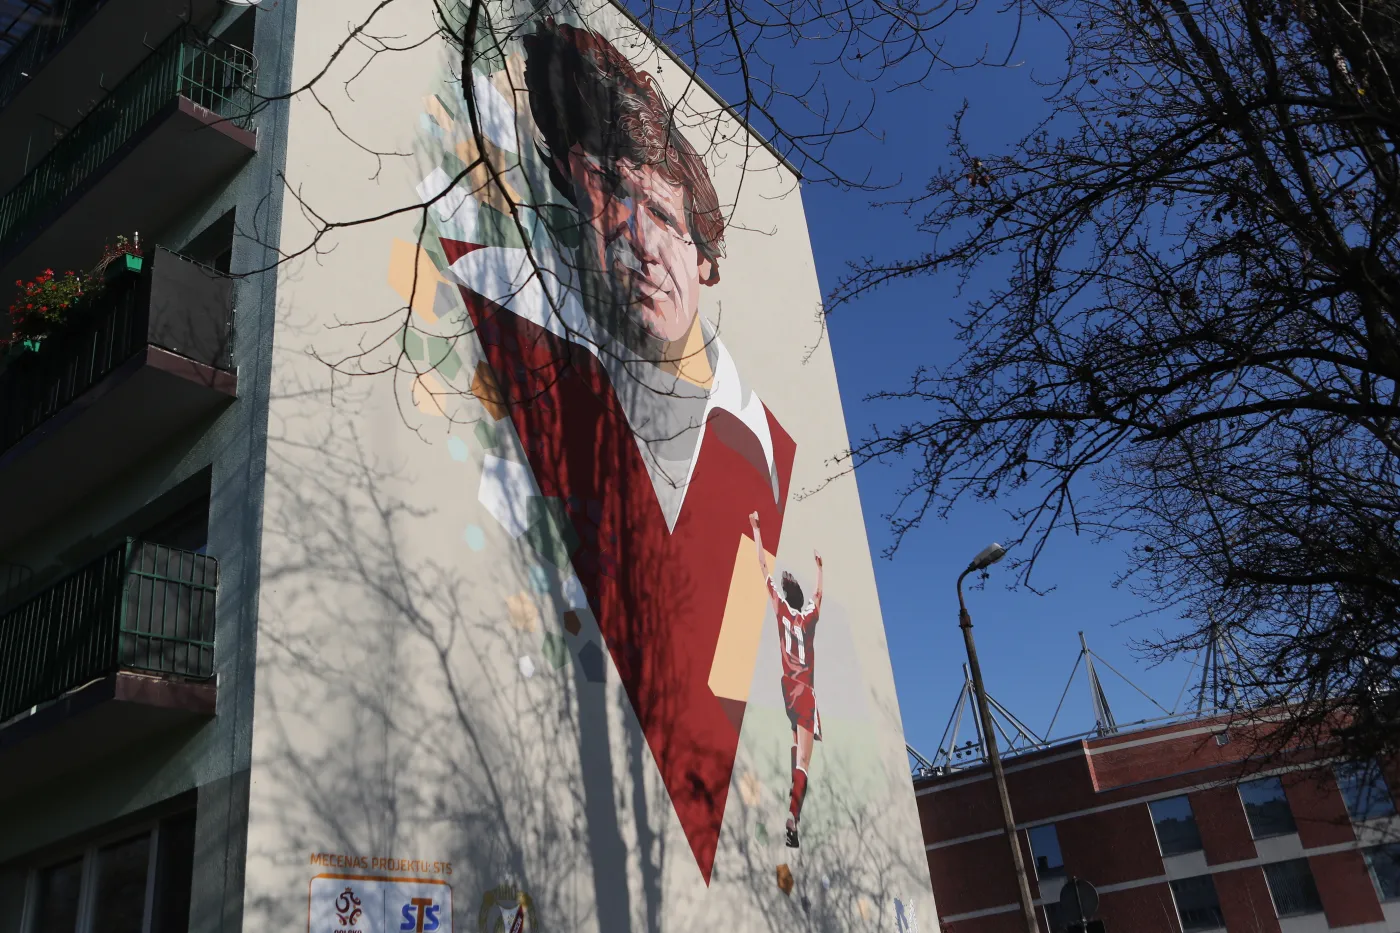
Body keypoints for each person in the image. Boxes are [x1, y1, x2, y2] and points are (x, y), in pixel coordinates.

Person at [433, 19, 798, 883]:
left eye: (664, 216)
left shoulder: (755, 455)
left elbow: (709, 720)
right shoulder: (518, 318)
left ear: (707, 260)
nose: (637, 240)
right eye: (604, 195)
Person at [748, 510, 822, 848]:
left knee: (796, 747)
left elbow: (764, 569)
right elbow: (817, 598)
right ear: (801, 599)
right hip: (805, 690)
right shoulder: (806, 619)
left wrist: (757, 531)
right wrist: (820, 568)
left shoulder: (780, 610)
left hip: (786, 688)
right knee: (805, 762)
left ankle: (793, 793)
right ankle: (793, 815)